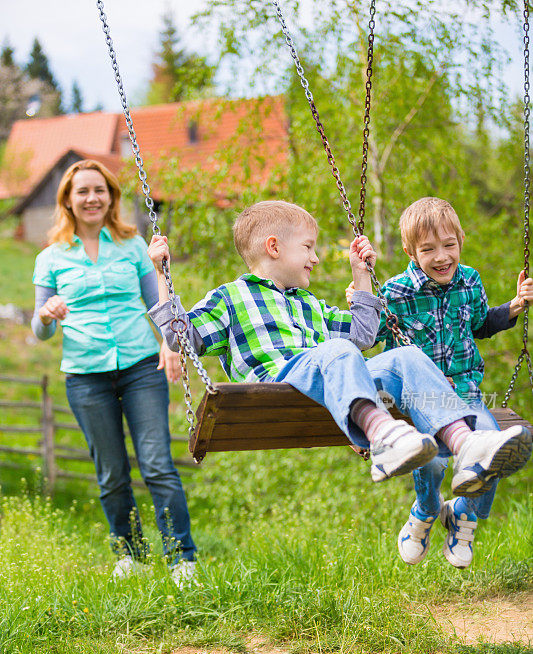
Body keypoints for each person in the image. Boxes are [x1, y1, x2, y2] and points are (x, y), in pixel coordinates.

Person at [146, 200, 531, 508]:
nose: (315, 258)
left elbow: (363, 336)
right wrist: (162, 276)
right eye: (309, 248)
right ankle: (384, 439)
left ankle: (467, 445)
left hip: (335, 379)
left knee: (408, 357)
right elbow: (180, 337)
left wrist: (361, 274)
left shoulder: (310, 304)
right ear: (274, 248)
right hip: (281, 385)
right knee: (337, 351)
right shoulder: (230, 298)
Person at [31, 159, 197, 586]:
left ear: (111, 197)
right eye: (82, 191)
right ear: (67, 199)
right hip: (85, 375)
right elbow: (40, 330)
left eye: (99, 190)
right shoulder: (50, 258)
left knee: (158, 464)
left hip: (141, 367)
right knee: (110, 471)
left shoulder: (134, 246)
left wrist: (169, 342)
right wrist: (47, 315)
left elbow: (157, 305)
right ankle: (130, 554)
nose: (91, 198)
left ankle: (182, 560)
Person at [346, 196, 533, 568]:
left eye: (449, 245)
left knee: (493, 445)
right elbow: (366, 341)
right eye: (428, 249)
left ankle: (461, 515)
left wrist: (513, 307)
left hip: (465, 393)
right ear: (410, 252)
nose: (441, 256)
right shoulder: (396, 292)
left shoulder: (470, 281)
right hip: (419, 401)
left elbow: (480, 325)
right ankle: (426, 511)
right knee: (430, 464)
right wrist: (361, 295)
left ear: (460, 241)